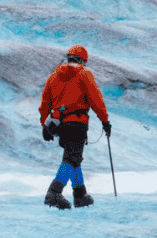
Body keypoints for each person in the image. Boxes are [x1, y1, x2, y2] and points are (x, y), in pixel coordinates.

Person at [39, 45, 111, 209]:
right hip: (77, 123)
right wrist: (105, 121)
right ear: (82, 60)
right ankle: (54, 192)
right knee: (71, 158)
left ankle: (80, 194)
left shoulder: (53, 76)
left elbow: (45, 103)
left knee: (73, 158)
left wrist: (44, 124)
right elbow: (96, 99)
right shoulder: (84, 74)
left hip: (58, 124)